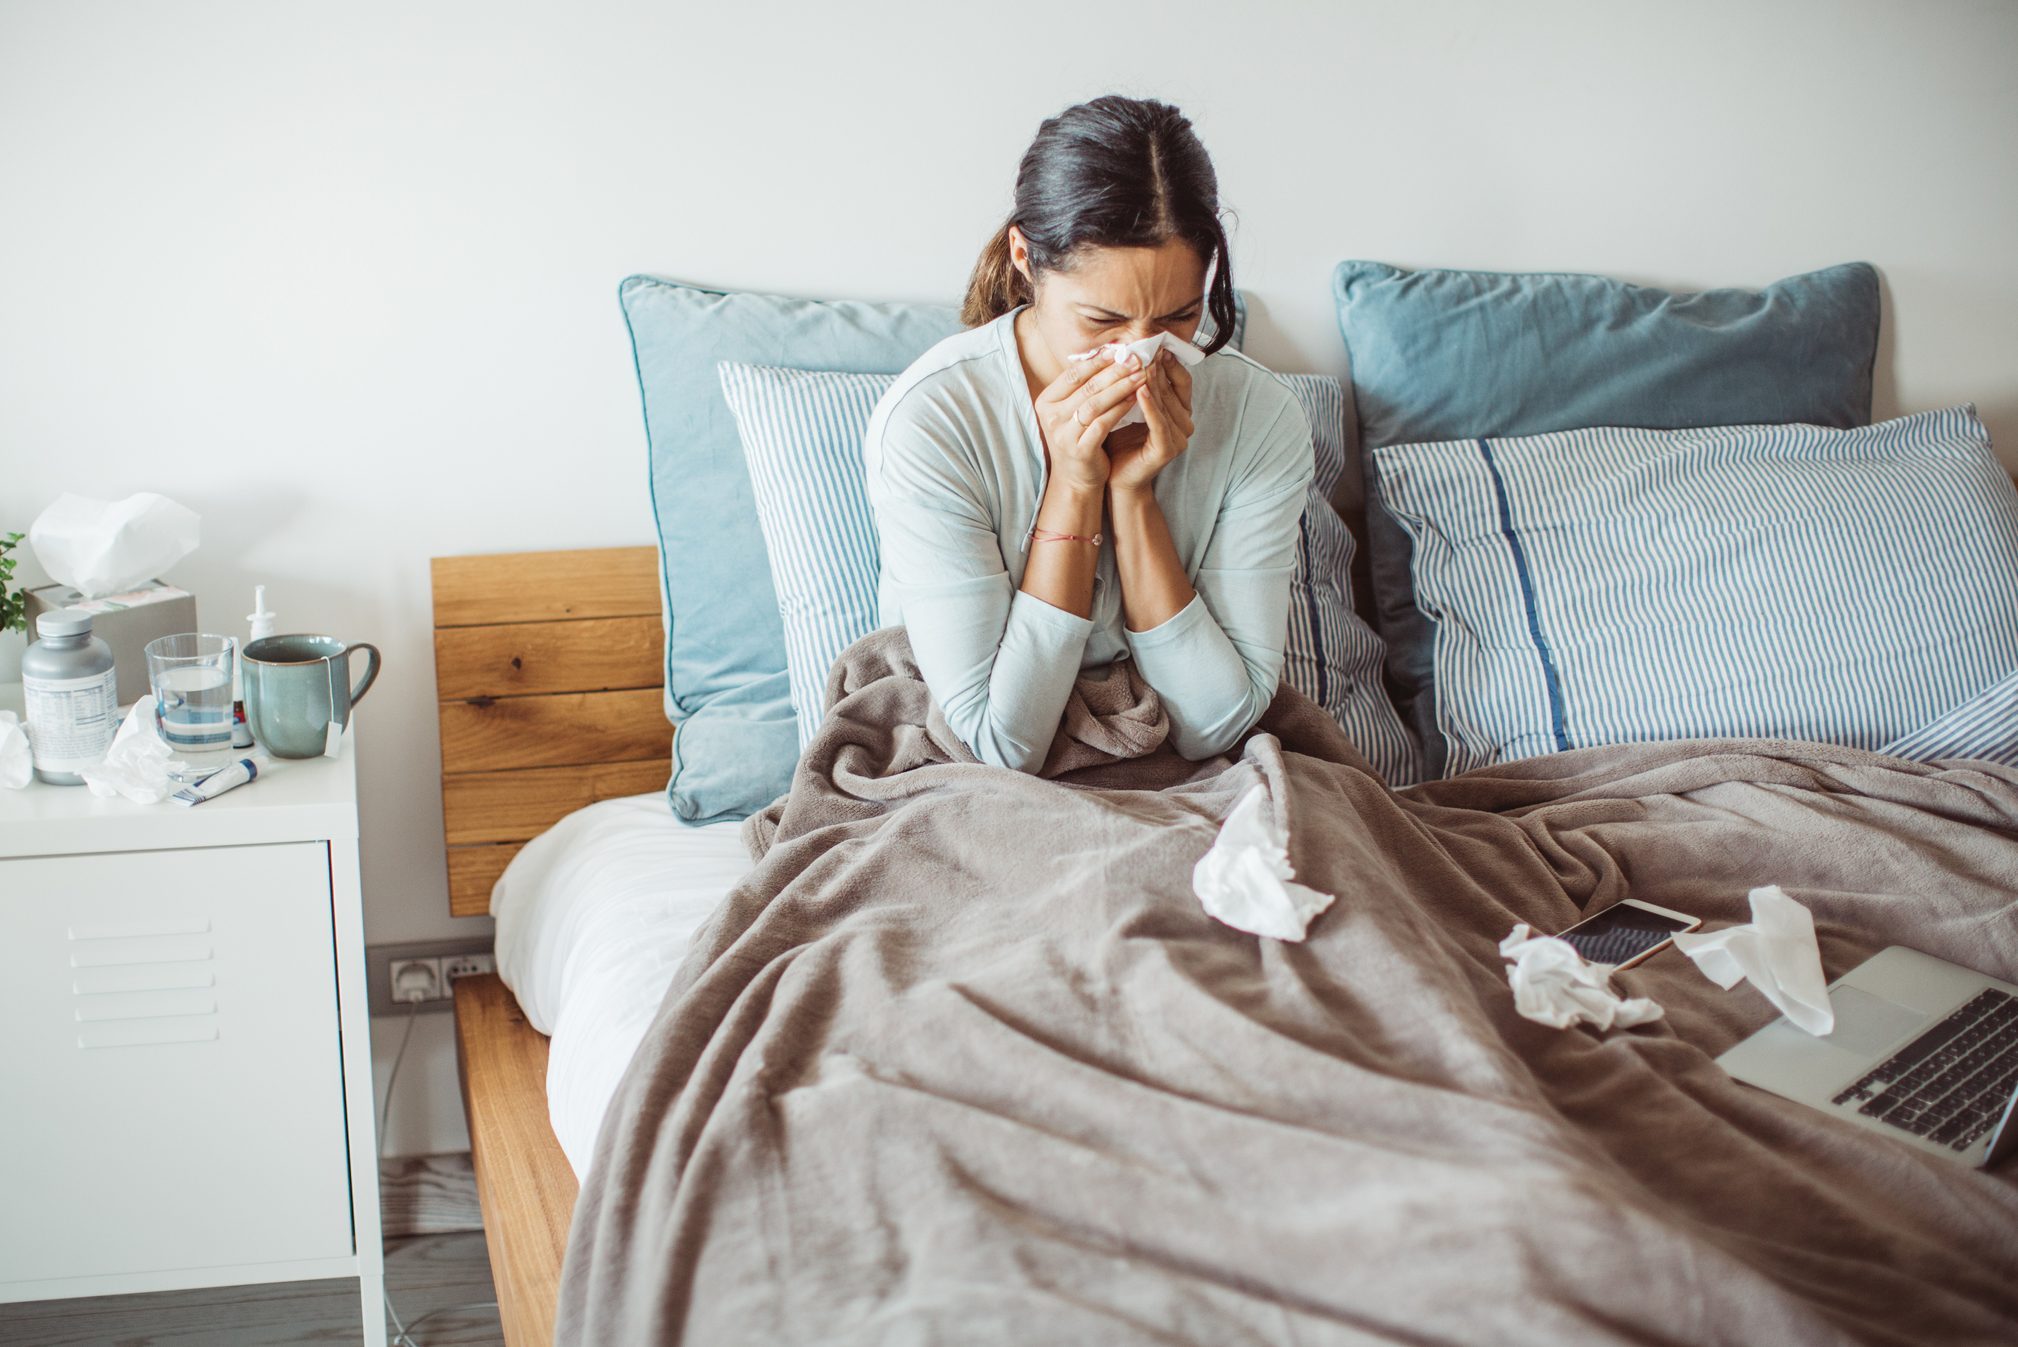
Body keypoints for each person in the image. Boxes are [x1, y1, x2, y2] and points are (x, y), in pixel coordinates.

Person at [863, 94, 1315, 773]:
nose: (1141, 352)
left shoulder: (1259, 417)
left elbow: (1216, 725)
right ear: (1024, 256)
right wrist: (1075, 485)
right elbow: (1000, 743)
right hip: (975, 780)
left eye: (1179, 316)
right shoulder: (935, 421)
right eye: (1103, 320)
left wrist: (1134, 500)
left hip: (1187, 774)